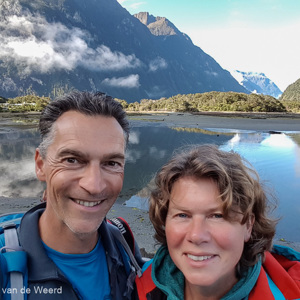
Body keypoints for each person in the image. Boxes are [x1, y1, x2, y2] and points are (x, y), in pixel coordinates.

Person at [0, 91, 144, 299]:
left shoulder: (123, 245)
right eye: (72, 160)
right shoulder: (5, 260)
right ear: (41, 165)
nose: (94, 186)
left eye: (111, 163)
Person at [136, 144, 300, 300]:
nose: (197, 235)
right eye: (182, 215)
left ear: (248, 226)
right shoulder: (137, 285)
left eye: (217, 216)